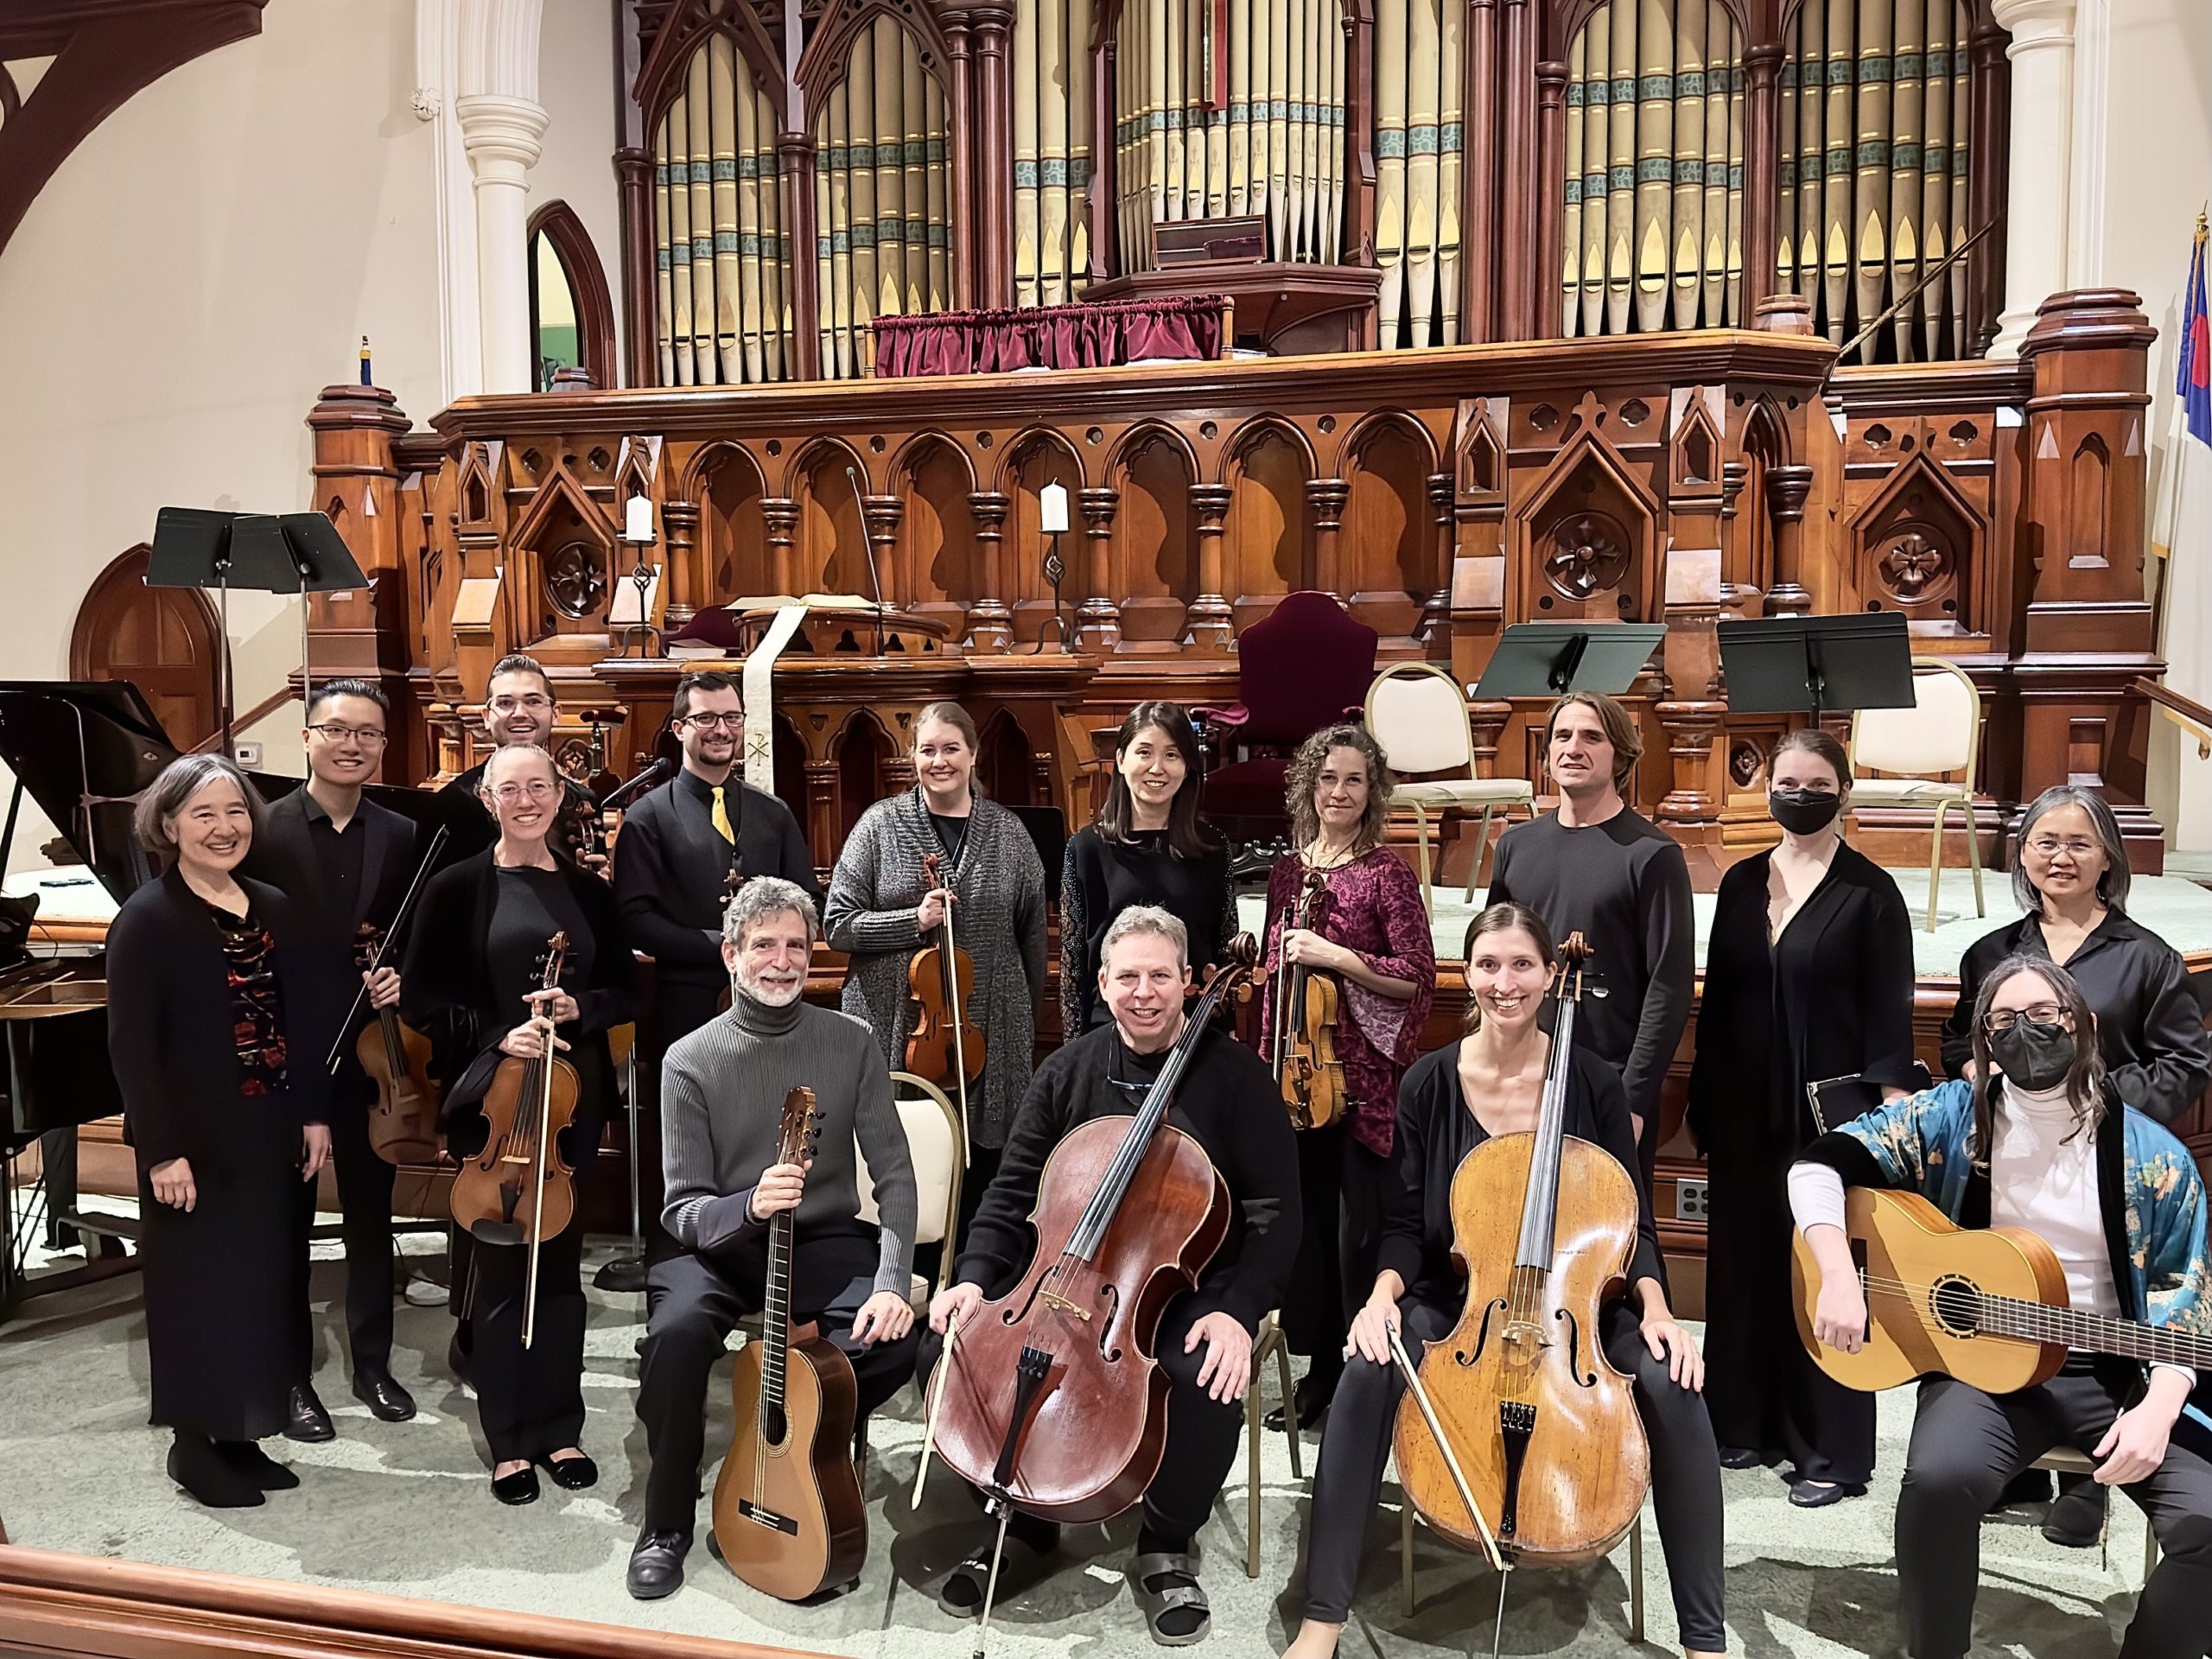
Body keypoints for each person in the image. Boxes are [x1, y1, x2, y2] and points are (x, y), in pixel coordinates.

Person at [1279, 902, 1725, 1659]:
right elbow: (1403, 1224)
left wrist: (1657, 1309)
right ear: (1469, 974)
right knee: (1365, 1373)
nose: (1504, 982)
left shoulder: (1594, 1083)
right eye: (1488, 965)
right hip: (1461, 1303)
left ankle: (1704, 1641)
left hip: (1578, 1305)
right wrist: (1380, 1299)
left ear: (1551, 975)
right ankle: (1322, 1620)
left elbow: (1634, 1225)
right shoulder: (1429, 1083)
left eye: (1522, 964)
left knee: (1674, 1384)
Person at [1794, 955, 2212, 1659]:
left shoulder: (2154, 1155)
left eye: (2044, 1015)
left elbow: (2186, 1291)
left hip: (2118, 1372)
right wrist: (1836, 1270)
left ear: (2083, 1025)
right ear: (1984, 1041)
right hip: (1984, 1361)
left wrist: (2161, 1407)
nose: (2025, 1032)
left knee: (2207, 1524)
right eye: (2003, 1021)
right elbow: (1818, 1164)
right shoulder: (1951, 1116)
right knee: (1938, 1482)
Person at [924, 906, 1300, 1646]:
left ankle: (1166, 1542)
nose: (1144, 993)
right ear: (1102, 983)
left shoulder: (1237, 1079)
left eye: (1160, 976)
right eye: (1128, 977)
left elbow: (1277, 1215)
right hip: (1057, 1278)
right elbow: (1011, 1191)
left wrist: (1239, 1308)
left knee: (1205, 1377)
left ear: (1189, 982)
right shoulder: (1067, 1071)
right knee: (951, 1351)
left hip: (1188, 1290)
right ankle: (1026, 1518)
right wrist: (972, 1278)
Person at [627, 877, 918, 1599]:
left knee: (893, 1337)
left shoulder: (850, 1041)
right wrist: (750, 1204)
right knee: (675, 1335)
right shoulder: (689, 1058)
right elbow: (682, 1210)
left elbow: (896, 1175)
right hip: (719, 1241)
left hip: (821, 1238)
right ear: (732, 955)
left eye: (796, 945)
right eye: (764, 945)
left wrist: (891, 1283)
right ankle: (666, 1520)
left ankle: (799, 1462)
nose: (782, 962)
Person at [1938, 783, 2210, 1541]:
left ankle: (2088, 1478)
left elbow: (2184, 1065)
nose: (2061, 857)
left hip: (2111, 1167)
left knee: (2094, 1305)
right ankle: (2015, 1455)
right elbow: (1958, 1042)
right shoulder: (1992, 954)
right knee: (2013, 1295)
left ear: (2108, 859)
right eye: (2045, 842)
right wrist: (1982, 1075)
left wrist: (2086, 1098)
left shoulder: (2147, 957)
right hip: (2014, 1159)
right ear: (2022, 855)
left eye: (2079, 843)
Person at [1687, 729, 1916, 1505]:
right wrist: (1702, 1102)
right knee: (1744, 1264)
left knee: (1826, 1267)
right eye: (1788, 783)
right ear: (1768, 791)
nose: (1800, 796)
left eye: (1818, 786)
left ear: (1844, 793)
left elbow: (1891, 1022)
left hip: (1831, 1117)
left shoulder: (1872, 893)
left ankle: (1831, 1450)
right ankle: (1742, 1422)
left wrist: (1892, 1125)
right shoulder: (1740, 883)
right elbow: (1718, 1004)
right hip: (1742, 1107)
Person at [401, 742, 632, 1503]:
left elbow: (624, 991)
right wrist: (499, 1034)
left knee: (560, 1274)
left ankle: (561, 1428)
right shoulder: (456, 888)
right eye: (510, 789)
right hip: (492, 1108)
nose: (526, 801)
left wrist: (579, 1007)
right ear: (488, 798)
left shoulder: (589, 892)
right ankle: (508, 1441)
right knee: (501, 1275)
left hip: (568, 1107)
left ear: (560, 796)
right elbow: (420, 999)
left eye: (540, 787)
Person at [107, 755, 334, 1509]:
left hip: (270, 1131)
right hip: (194, 1145)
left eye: (235, 811)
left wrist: (314, 1114)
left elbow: (302, 1023)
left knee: (263, 1285)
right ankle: (193, 1446)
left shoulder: (272, 904)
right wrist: (160, 1151)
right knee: (199, 1292)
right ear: (169, 825)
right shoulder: (147, 919)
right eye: (203, 814)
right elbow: (132, 1050)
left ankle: (242, 1435)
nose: (224, 827)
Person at [240, 678, 423, 1441]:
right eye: (338, 730)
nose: (353, 745)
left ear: (383, 745)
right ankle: (288, 1378)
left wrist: (397, 975)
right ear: (308, 737)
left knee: (371, 1215)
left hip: (370, 1054)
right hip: (288, 1051)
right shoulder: (263, 830)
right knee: (285, 1218)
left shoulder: (402, 833)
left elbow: (410, 936)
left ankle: (372, 1364)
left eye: (368, 734)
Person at [1254, 723, 1433, 1431]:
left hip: (1359, 1079)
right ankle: (1321, 1372)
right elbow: (1276, 976)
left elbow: (1416, 976)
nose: (1339, 791)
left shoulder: (1387, 873)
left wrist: (1337, 956)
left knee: (1357, 1237)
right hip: (1297, 1077)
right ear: (1309, 785)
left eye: (1354, 779)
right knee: (1306, 1235)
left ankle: (1366, 1381)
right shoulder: (1287, 871)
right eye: (1327, 778)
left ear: (1373, 790)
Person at [613, 669, 819, 1265]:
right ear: (680, 728)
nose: (721, 729)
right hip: (686, 1001)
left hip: (768, 1006)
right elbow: (636, 919)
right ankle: (676, 1258)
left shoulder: (772, 813)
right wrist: (724, 948)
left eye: (731, 718)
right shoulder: (649, 816)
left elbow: (806, 901)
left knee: (763, 1124)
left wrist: (765, 956)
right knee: (684, 1133)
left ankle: (762, 1255)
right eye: (705, 718)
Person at [824, 702, 1047, 1215]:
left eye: (951, 749)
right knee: (901, 1167)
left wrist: (1019, 1019)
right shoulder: (879, 825)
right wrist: (912, 920)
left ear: (973, 755)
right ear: (913, 757)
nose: (939, 761)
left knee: (984, 1177)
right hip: (896, 1025)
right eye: (928, 750)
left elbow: (1033, 937)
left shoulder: (1009, 833)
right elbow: (837, 924)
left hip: (991, 1023)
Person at [1484, 690, 1694, 1176]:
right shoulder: (1515, 846)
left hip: (1609, 1081)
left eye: (1591, 737)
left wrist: (1633, 1100)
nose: (1573, 748)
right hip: (1521, 1076)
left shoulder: (1651, 855)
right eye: (1562, 736)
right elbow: (1493, 964)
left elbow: (1668, 986)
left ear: (1621, 755)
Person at [1060, 702, 1233, 1036]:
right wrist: (1075, 1051)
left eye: (1172, 755)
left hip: (1192, 1029)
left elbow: (1223, 949)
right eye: (1145, 752)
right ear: (1121, 760)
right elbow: (1074, 965)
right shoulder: (1086, 849)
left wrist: (1225, 1036)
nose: (1157, 768)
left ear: (1187, 766)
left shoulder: (1211, 847)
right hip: (1109, 1032)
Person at [438, 652, 607, 871]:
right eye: (505, 703)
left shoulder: (583, 801)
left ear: (555, 714)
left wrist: (596, 883)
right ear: (486, 717)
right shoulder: (454, 801)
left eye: (533, 701)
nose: (519, 713)